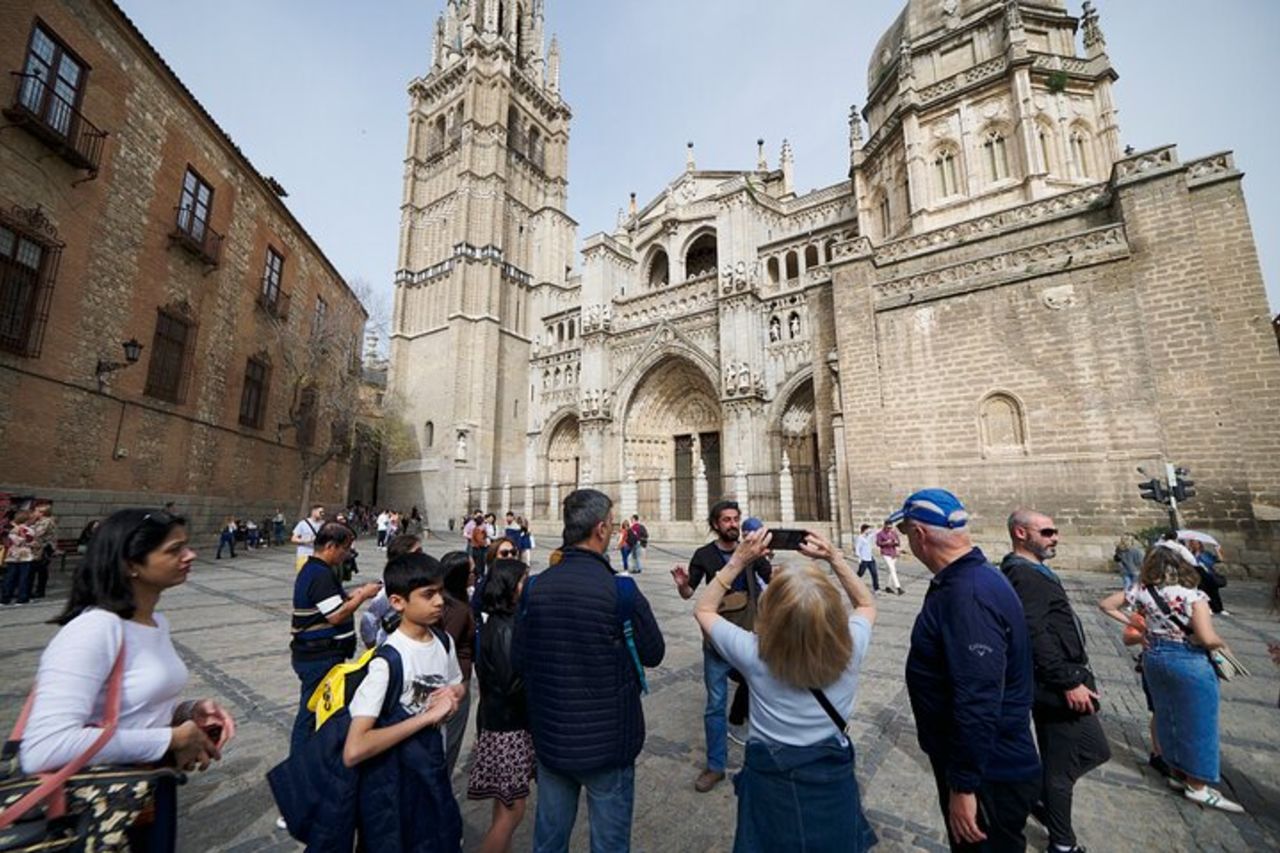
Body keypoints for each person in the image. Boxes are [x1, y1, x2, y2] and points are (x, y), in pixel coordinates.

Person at [21, 508, 236, 848]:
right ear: (130, 564)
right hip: (96, 803)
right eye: (175, 549)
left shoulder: (155, 622)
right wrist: (170, 739)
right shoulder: (94, 630)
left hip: (146, 791)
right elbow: (44, 747)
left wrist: (185, 711)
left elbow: (130, 705)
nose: (190, 555)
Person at [693, 527, 878, 851]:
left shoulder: (754, 654)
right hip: (832, 778)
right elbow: (865, 603)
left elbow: (704, 610)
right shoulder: (851, 647)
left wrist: (738, 560)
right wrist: (834, 558)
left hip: (770, 780)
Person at [516, 489, 665, 853]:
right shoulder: (621, 591)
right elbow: (654, 653)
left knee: (548, 842)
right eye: (611, 524)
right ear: (600, 529)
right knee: (609, 844)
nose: (613, 530)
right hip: (608, 745)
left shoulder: (534, 588)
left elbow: (520, 659)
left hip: (552, 739)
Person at [897, 489, 1040, 852]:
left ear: (919, 534)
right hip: (988, 765)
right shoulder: (974, 578)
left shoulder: (968, 597)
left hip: (990, 773)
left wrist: (964, 786)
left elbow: (978, 698)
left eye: (905, 533)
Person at [1098, 542, 1244, 813]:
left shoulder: (1143, 591)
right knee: (1200, 723)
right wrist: (1223, 645)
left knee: (1167, 716)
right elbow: (1205, 637)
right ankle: (1198, 786)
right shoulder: (1193, 596)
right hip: (1189, 660)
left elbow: (1106, 605)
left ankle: (1177, 773)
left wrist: (1139, 627)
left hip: (1154, 658)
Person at [1000, 510, 1110, 853]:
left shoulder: (1032, 571)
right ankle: (1062, 844)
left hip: (1060, 678)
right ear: (1021, 533)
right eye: (1047, 532)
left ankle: (1040, 797)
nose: (1055, 537)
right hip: (1056, 684)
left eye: (1055, 531)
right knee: (1065, 767)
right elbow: (1033, 631)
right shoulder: (1024, 574)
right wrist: (1067, 681)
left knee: (1092, 750)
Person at [343, 552, 466, 851]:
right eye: (428, 594)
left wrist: (453, 697)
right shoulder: (386, 662)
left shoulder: (443, 641)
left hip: (431, 773)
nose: (439, 602)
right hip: (392, 788)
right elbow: (355, 749)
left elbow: (456, 684)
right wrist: (426, 718)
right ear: (398, 602)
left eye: (440, 592)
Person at [670, 499, 771, 792]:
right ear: (716, 524)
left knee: (764, 697)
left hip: (749, 636)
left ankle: (763, 762)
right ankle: (715, 767)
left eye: (736, 519)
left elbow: (772, 580)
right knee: (715, 705)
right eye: (726, 519)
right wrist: (682, 584)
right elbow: (689, 593)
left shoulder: (751, 552)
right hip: (716, 640)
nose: (733, 524)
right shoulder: (704, 555)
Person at [288, 523, 381, 758]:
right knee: (311, 711)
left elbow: (329, 604)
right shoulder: (319, 573)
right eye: (345, 548)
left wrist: (352, 595)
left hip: (318, 653)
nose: (348, 554)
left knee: (317, 707)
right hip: (319, 656)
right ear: (330, 546)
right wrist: (363, 595)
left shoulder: (316, 569)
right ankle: (300, 762)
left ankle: (311, 756)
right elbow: (336, 615)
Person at [469, 558, 538, 853]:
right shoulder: (505, 629)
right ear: (510, 587)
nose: (528, 585)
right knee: (513, 810)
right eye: (524, 580)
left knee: (504, 804)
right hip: (509, 729)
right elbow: (511, 682)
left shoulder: (497, 623)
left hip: (498, 722)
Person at [441, 550, 477, 778]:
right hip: (455, 682)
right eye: (471, 571)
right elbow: (447, 644)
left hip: (453, 679)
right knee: (450, 743)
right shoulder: (457, 610)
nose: (475, 574)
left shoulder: (450, 601)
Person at [361, 533, 425, 649]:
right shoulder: (389, 587)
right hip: (392, 645)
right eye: (417, 552)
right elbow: (368, 619)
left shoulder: (419, 580)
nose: (422, 556)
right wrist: (372, 646)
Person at [2, 510, 38, 605]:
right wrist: (32, 543)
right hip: (25, 556)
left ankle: (5, 598)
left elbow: (10, 541)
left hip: (12, 555)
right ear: (27, 520)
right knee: (24, 578)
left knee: (10, 577)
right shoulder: (28, 530)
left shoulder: (12, 529)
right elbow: (30, 541)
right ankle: (22, 598)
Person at [29, 500, 57, 600]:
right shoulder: (40, 521)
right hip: (38, 547)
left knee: (40, 569)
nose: (34, 513)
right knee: (36, 569)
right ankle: (34, 590)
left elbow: (38, 533)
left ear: (42, 513)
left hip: (44, 548)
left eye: (36, 511)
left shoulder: (47, 521)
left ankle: (39, 591)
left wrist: (27, 528)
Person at [291, 504, 325, 572]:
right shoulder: (303, 523)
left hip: (318, 556)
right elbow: (293, 539)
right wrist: (306, 541)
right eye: (320, 512)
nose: (322, 514)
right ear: (314, 512)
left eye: (323, 512)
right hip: (304, 555)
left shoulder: (323, 524)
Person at [875, 519, 904, 595]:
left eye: (890, 528)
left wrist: (896, 544)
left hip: (893, 553)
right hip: (886, 553)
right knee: (892, 569)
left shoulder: (893, 533)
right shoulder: (880, 534)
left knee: (891, 571)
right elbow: (878, 543)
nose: (889, 529)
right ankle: (898, 587)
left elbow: (898, 542)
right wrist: (886, 542)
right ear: (885, 526)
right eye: (888, 528)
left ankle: (887, 587)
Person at [854, 523, 879, 592]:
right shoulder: (860, 538)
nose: (869, 530)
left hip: (870, 558)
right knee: (860, 573)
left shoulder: (869, 536)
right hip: (864, 559)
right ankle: (854, 583)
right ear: (864, 530)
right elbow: (857, 548)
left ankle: (876, 588)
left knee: (874, 573)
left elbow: (875, 532)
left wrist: (872, 530)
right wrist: (859, 558)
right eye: (868, 529)